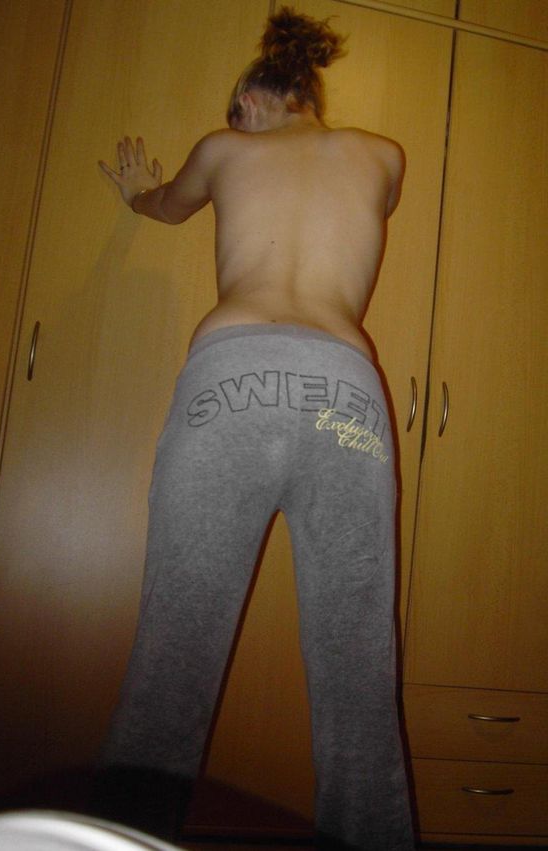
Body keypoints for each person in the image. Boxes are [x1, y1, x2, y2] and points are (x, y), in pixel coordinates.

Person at [98, 7, 412, 850]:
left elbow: (165, 207)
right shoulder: (383, 155)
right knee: (356, 671)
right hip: (347, 396)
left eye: (235, 111)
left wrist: (136, 194)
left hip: (230, 379)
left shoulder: (222, 149)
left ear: (246, 100)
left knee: (173, 658)